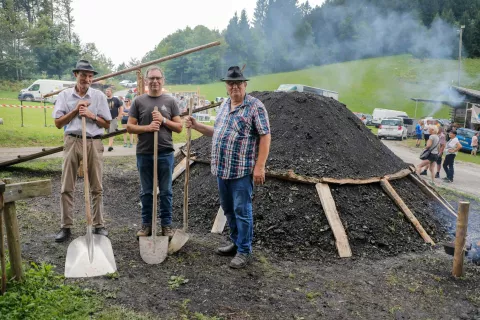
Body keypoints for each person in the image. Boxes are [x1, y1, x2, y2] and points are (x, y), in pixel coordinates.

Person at [186, 66, 271, 269]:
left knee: (242, 210)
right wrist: (197, 126)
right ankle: (235, 242)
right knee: (228, 209)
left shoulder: (255, 106)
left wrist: (260, 166)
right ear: (226, 86)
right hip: (222, 169)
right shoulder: (224, 105)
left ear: (245, 85)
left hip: (241, 171)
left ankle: (245, 251)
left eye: (238, 84)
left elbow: (265, 135)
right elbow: (217, 132)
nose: (234, 87)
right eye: (231, 84)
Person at [52, 60, 112, 242]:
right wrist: (76, 111)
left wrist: (91, 115)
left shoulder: (99, 96)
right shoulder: (64, 95)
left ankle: (98, 225)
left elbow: (107, 123)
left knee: (96, 186)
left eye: (90, 75)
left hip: (93, 142)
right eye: (83, 74)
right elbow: (58, 123)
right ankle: (66, 227)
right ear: (75, 75)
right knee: (66, 186)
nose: (86, 78)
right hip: (72, 141)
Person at [126, 66, 183, 238]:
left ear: (162, 80)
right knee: (147, 191)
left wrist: (164, 120)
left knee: (166, 191)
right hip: (144, 153)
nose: (155, 81)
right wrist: (148, 127)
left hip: (165, 153)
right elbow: (129, 126)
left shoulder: (170, 101)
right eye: (151, 78)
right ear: (146, 81)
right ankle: (147, 225)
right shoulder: (138, 101)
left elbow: (179, 127)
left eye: (158, 78)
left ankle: (166, 225)